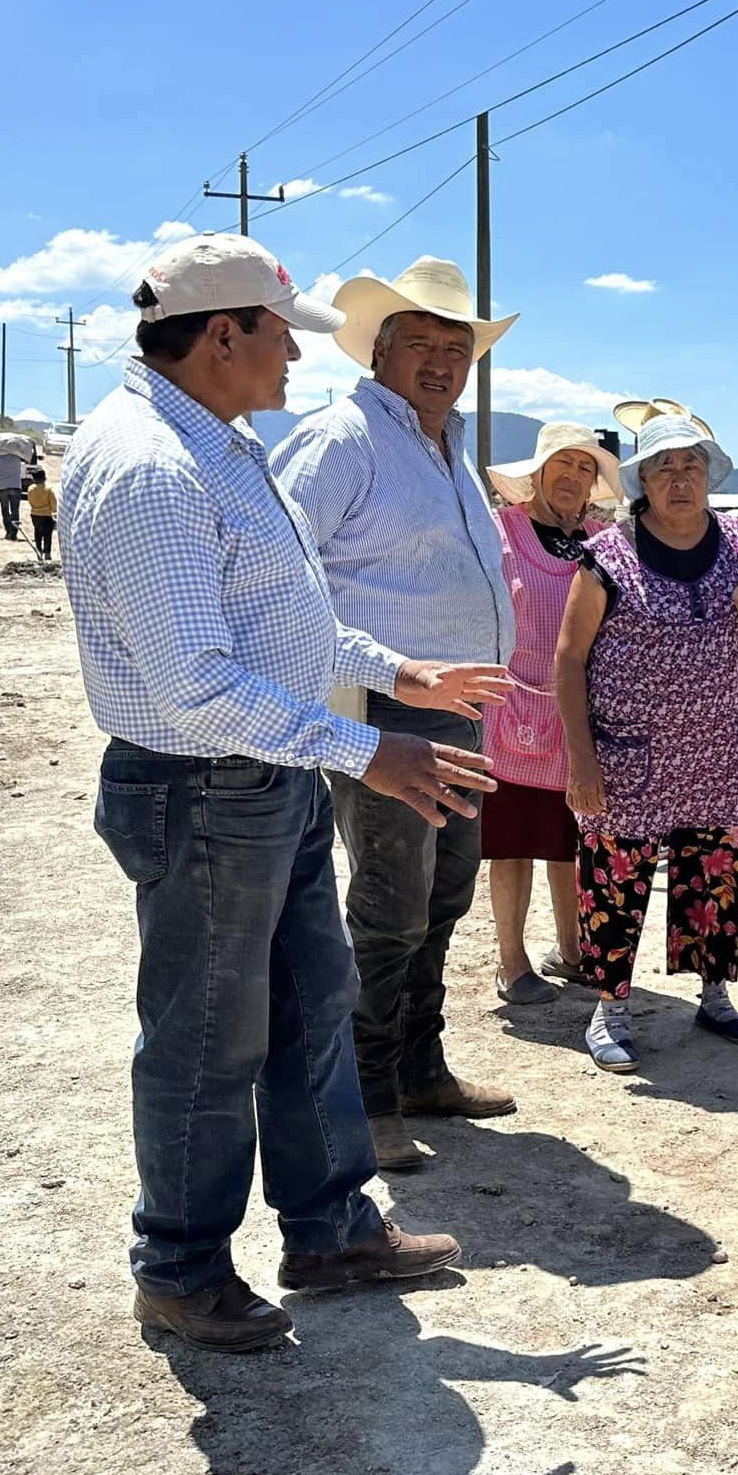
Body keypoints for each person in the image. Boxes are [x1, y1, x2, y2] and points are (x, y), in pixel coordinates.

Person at [61, 232, 506, 1354]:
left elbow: (285, 616)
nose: (297, 363)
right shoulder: (154, 468)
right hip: (207, 788)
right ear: (223, 337)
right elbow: (198, 685)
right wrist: (369, 752)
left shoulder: (214, 443)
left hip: (266, 777)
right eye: (280, 339)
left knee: (309, 1007)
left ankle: (328, 1229)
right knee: (210, 1039)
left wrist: (395, 674)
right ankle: (180, 1268)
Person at [273, 256, 521, 1175]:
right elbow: (277, 572)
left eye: (456, 348)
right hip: (383, 708)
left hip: (461, 710)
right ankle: (366, 1096)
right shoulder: (342, 438)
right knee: (386, 906)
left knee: (442, 895)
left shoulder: (450, 445)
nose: (442, 361)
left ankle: (420, 1068)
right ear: (378, 353)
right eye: (420, 343)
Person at [555, 414, 738, 1072]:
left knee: (712, 872)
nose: (680, 479)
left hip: (719, 750)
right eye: (664, 468)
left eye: (692, 466)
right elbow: (569, 660)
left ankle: (713, 997)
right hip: (629, 757)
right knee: (615, 880)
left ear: (709, 474)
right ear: (642, 482)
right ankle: (611, 1010)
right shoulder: (607, 556)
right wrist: (581, 761)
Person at [479, 420, 624, 1002]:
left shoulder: (601, 542)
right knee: (513, 842)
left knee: (573, 838)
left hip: (585, 717)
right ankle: (510, 963)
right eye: (562, 464)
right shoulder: (501, 532)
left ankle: (573, 949)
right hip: (512, 711)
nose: (573, 476)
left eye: (585, 467)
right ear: (536, 473)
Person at [0, 433, 30, 540]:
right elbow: (28, 460)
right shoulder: (18, 456)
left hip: (2, 486)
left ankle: (8, 532)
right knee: (15, 510)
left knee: (5, 510)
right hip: (15, 485)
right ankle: (14, 533)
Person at [25, 467, 57, 560]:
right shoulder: (49, 489)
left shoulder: (30, 489)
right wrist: (54, 512)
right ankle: (47, 554)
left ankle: (38, 553)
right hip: (47, 515)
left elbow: (30, 501)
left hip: (35, 514)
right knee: (47, 536)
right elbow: (54, 503)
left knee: (38, 533)